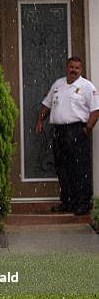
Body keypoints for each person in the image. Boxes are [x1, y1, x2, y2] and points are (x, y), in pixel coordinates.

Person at [35, 57, 99, 215]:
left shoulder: (87, 87)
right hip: (59, 131)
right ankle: (67, 202)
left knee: (79, 168)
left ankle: (83, 203)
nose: (74, 70)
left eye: (77, 67)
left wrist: (86, 130)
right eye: (71, 67)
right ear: (66, 67)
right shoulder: (58, 84)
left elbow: (95, 110)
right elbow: (46, 104)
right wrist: (39, 121)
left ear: (81, 70)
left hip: (77, 130)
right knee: (62, 168)